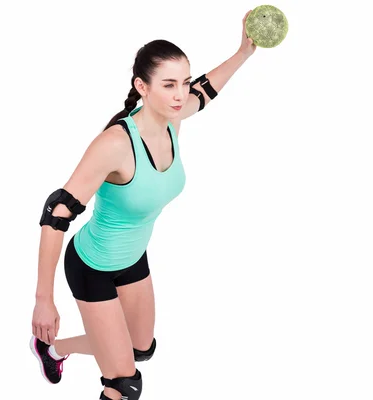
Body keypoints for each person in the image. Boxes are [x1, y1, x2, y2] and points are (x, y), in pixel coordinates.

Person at [29, 11, 257, 400]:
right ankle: (64, 349)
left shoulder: (173, 117)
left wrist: (244, 51)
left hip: (133, 259)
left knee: (141, 349)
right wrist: (43, 300)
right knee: (124, 382)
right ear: (142, 86)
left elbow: (206, 90)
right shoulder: (116, 145)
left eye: (183, 83)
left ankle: (54, 350)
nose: (180, 94)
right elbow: (56, 213)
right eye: (169, 85)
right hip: (92, 266)